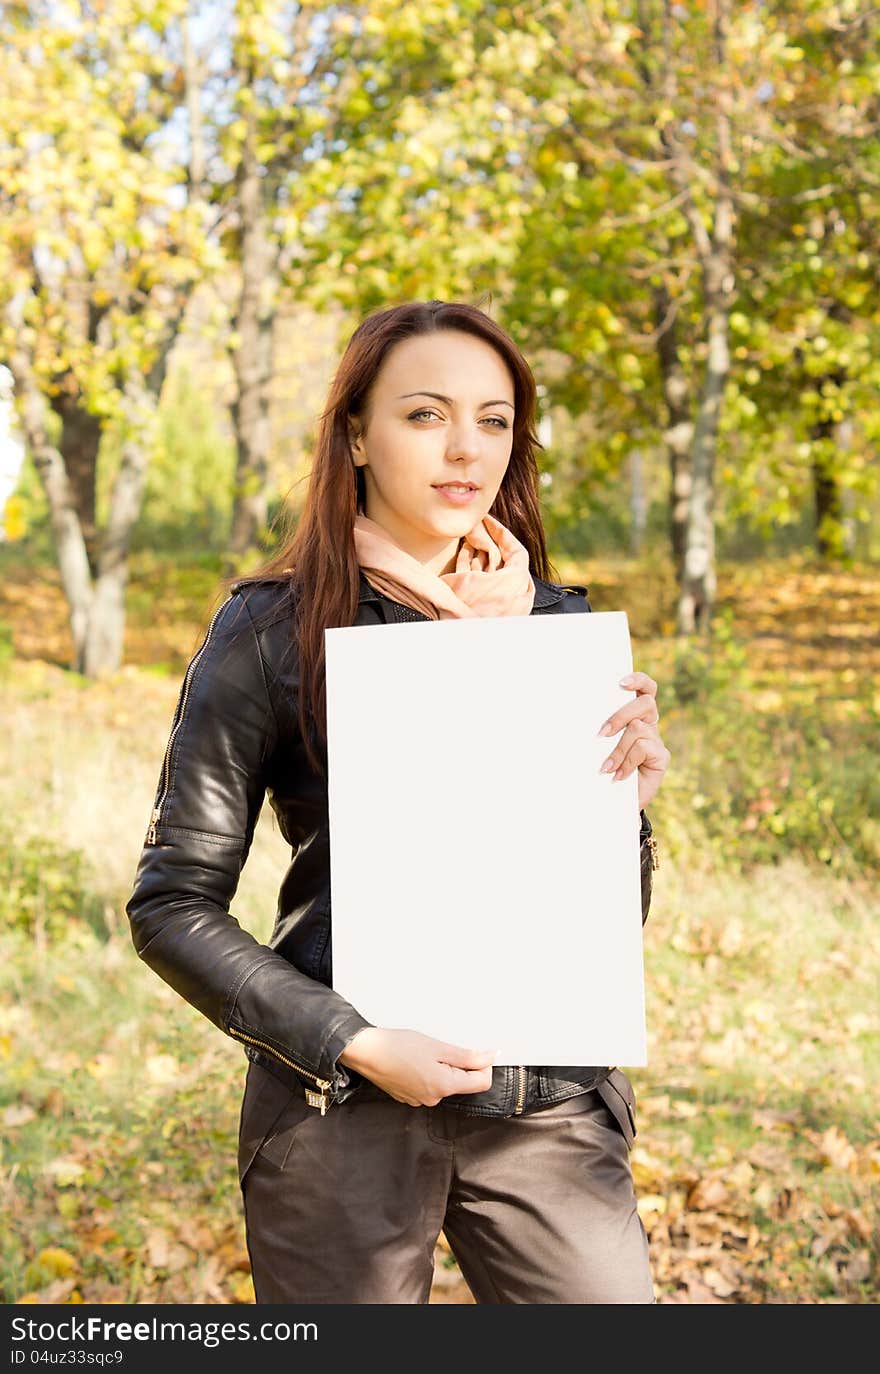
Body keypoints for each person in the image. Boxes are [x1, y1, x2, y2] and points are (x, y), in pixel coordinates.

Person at [124, 297, 671, 1305]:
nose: (466, 448)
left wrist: (621, 809)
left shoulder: (555, 628)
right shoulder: (269, 633)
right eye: (424, 415)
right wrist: (353, 1041)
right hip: (344, 1118)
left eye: (494, 419)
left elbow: (603, 921)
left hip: (544, 1105)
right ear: (356, 436)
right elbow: (171, 905)